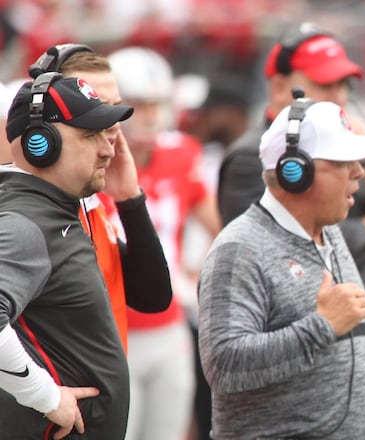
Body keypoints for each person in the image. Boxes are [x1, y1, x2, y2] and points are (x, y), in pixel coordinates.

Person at [217, 22, 365, 429]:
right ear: (281, 86)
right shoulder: (254, 166)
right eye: (325, 84)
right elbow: (281, 240)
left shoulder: (339, 198)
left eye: (345, 85)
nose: (340, 97)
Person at [199, 97, 365, 439]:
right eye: (344, 161)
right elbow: (223, 366)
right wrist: (322, 326)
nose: (359, 171)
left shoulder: (328, 232)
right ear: (296, 171)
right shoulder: (240, 248)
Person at [0, 73, 134, 438]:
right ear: (41, 144)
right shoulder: (26, 223)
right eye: (91, 136)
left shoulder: (52, 211)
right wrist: (44, 396)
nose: (108, 149)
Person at [107, 46, 221, 440]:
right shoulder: (92, 159)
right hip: (113, 330)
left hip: (169, 325)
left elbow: (222, 229)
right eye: (140, 104)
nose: (152, 115)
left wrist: (197, 274)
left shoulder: (182, 152)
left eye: (157, 104)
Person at [27, 43, 173, 353]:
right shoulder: (24, 210)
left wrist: (129, 199)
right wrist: (42, 393)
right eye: (94, 109)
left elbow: (152, 297)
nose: (111, 127)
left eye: (114, 108)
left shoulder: (87, 203)